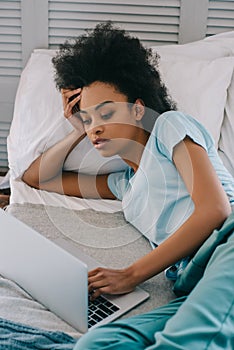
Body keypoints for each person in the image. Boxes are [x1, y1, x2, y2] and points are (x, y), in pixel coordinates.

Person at [22, 22, 234, 348]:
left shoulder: (168, 126)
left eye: (106, 113)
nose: (96, 129)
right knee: (99, 342)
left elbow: (215, 210)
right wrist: (77, 127)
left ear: (138, 109)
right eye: (89, 119)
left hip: (227, 246)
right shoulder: (125, 186)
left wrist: (131, 274)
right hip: (195, 282)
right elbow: (38, 179)